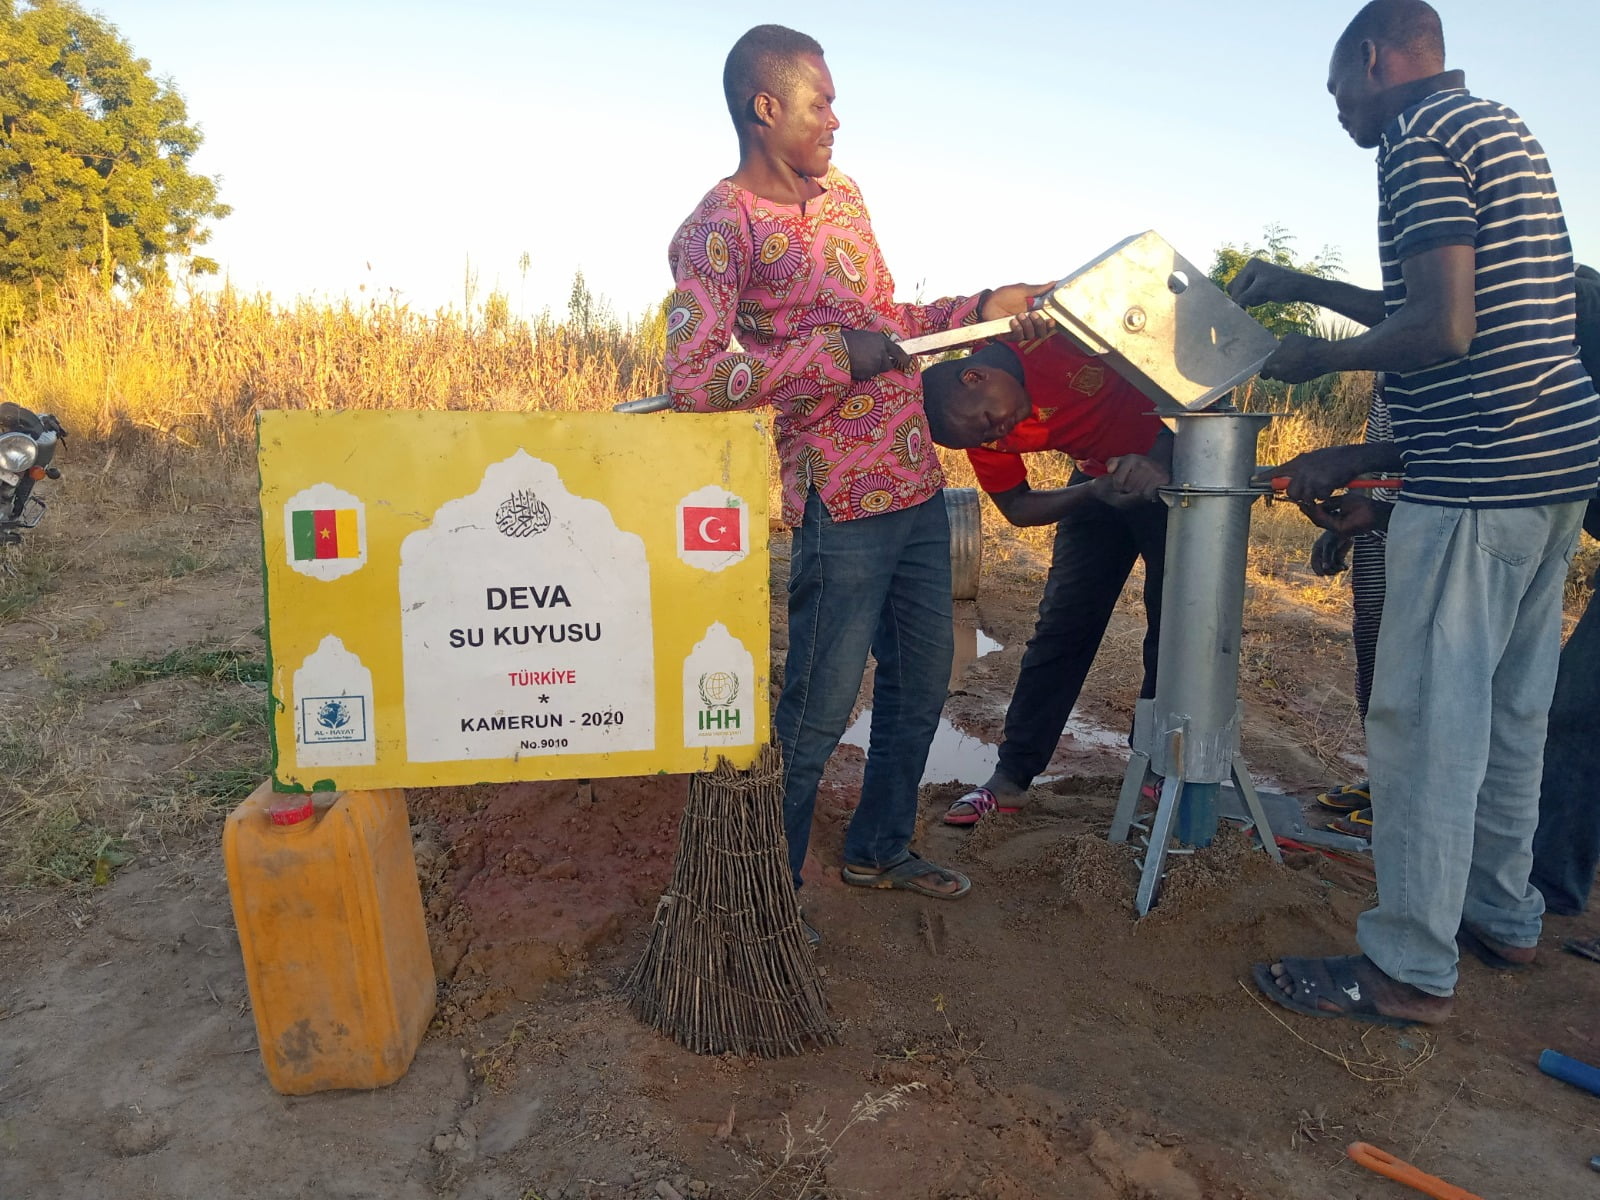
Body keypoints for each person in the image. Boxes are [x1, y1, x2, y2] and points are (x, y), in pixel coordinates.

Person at [1230, 0, 1599, 1026]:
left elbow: (1441, 327)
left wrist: (1317, 361)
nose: (1339, 110)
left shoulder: (1413, 139)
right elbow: (1500, 338)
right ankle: (1499, 912)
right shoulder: (1499, 127)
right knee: (1511, 710)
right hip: (1554, 461)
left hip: (1481, 482)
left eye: (1337, 86)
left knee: (1427, 720)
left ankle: (1408, 968)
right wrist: (1371, 441)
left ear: (1375, 58)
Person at [663, 25, 1042, 941]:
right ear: (767, 108)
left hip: (916, 481)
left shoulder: (844, 201)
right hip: (840, 502)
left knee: (921, 687)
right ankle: (765, 891)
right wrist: (832, 358)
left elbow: (891, 324)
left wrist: (978, 309)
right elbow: (690, 377)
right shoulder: (717, 230)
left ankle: (879, 847)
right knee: (818, 710)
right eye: (819, 102)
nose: (837, 118)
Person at [918, 333, 1172, 824]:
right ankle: (1011, 778)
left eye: (990, 424)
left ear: (976, 376)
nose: (997, 436)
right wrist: (1095, 490)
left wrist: (1162, 456)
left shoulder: (1049, 333)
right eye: (985, 438)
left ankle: (1157, 772)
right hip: (1104, 482)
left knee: (1174, 630)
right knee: (1062, 627)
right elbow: (1016, 506)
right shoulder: (979, 426)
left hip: (1181, 473)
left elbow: (1172, 360)